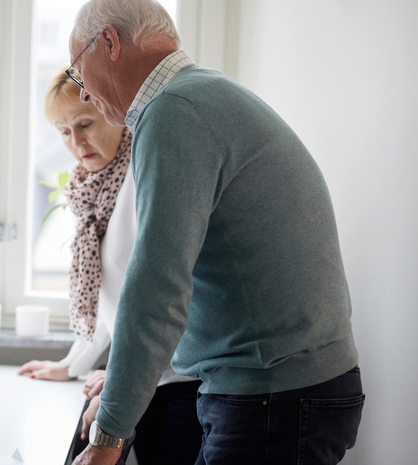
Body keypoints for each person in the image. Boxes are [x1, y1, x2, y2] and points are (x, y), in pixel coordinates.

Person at [63, 1, 365, 465]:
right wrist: (129, 382)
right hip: (287, 388)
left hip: (273, 396)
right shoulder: (200, 96)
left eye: (79, 72)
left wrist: (108, 438)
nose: (83, 94)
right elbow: (206, 282)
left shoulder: (174, 112)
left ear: (109, 43)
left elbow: (157, 288)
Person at [18, 70, 202, 465]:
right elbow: (111, 301)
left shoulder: (143, 176)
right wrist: (72, 365)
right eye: (64, 132)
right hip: (144, 377)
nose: (76, 142)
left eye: (85, 124)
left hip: (177, 381)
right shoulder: (94, 189)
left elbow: (159, 298)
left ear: (112, 115)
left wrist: (119, 382)